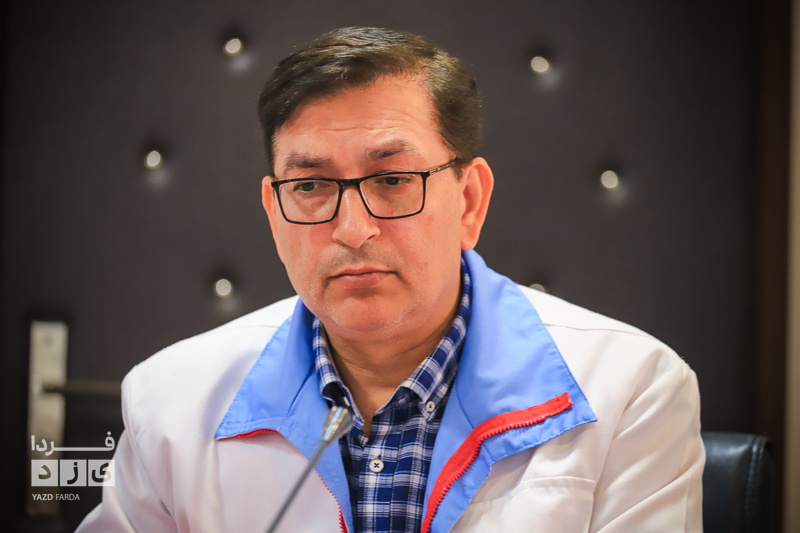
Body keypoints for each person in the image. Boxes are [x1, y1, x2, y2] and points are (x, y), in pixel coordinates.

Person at [77, 27, 704, 533]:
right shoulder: (171, 402)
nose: (352, 229)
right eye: (311, 185)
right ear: (274, 212)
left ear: (469, 202)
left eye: (393, 180)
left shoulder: (632, 390)